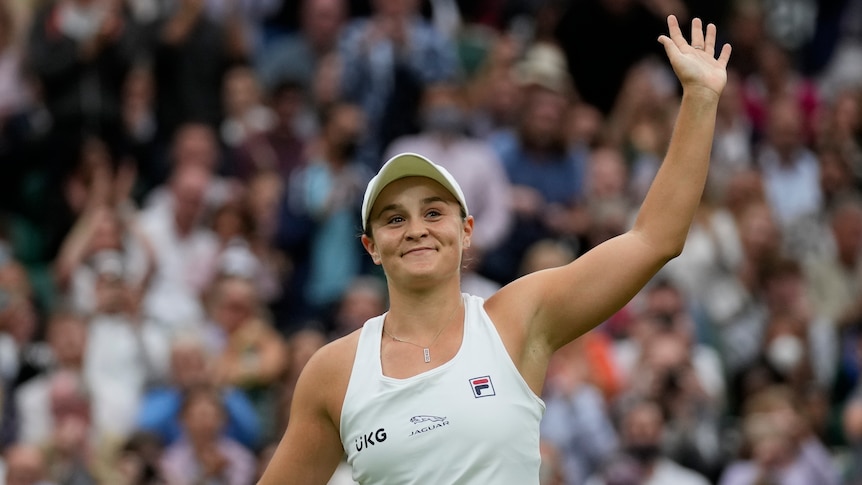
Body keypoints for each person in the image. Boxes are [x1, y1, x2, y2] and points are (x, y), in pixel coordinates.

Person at [257, 15, 732, 485]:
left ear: (467, 231)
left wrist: (700, 100)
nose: (416, 229)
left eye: (434, 212)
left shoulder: (517, 320)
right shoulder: (333, 371)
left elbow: (654, 239)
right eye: (394, 218)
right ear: (371, 246)